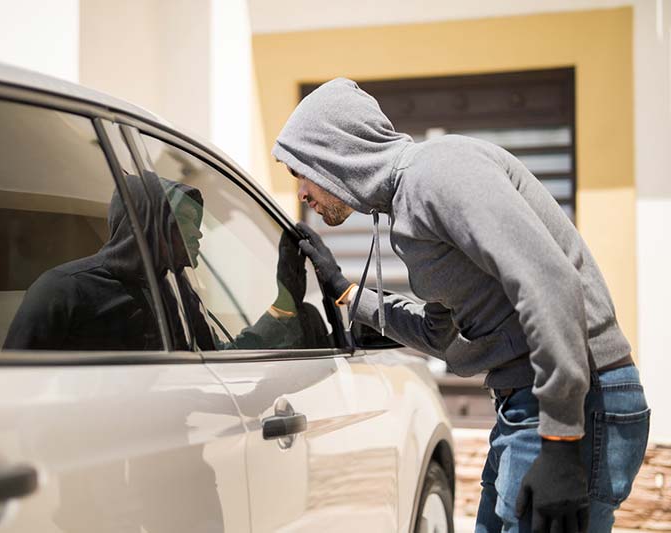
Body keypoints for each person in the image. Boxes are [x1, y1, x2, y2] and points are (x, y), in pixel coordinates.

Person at [274, 78, 650, 532]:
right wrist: (346, 293)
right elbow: (440, 333)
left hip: (575, 403)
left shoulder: (439, 171)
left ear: (331, 152)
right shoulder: (409, 212)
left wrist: (562, 441)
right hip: (530, 407)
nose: (301, 194)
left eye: (299, 171)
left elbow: (548, 282)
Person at [4, 172, 321, 352]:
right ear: (147, 224)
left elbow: (217, 364)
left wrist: (284, 304)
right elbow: (11, 389)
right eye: (185, 220)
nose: (197, 235)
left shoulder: (176, 294)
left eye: (198, 223)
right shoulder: (63, 290)